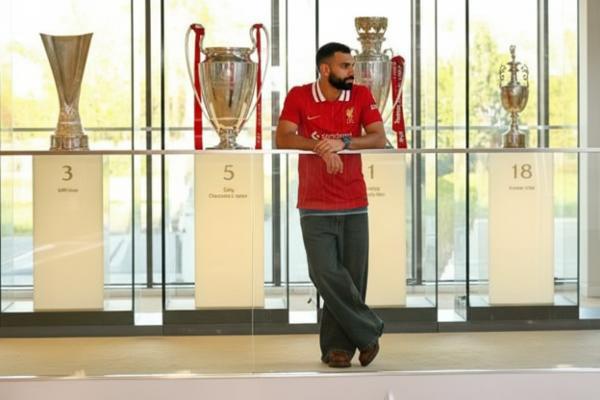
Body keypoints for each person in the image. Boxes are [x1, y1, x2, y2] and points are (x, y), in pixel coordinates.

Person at [276, 42, 386, 368]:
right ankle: (368, 331)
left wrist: (343, 142)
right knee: (324, 273)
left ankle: (337, 349)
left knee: (352, 279)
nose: (352, 72)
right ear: (325, 70)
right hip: (314, 204)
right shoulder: (299, 96)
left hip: (355, 202)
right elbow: (283, 137)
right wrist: (320, 147)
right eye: (345, 66)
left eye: (352, 65)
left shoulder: (361, 96)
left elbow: (378, 138)